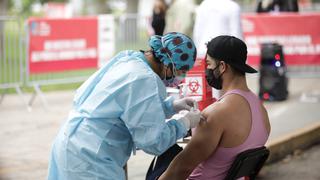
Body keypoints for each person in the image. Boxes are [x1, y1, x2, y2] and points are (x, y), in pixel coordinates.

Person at [47, 32, 201, 180]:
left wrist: (171, 106)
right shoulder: (144, 79)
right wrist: (184, 123)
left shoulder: (130, 59)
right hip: (90, 157)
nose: (180, 78)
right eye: (180, 71)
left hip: (72, 142)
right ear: (168, 64)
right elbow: (153, 141)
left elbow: (131, 107)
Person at [159, 35, 271, 180]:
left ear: (223, 66)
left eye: (209, 64)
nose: (207, 70)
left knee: (163, 159)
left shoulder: (216, 114)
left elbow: (182, 167)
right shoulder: (260, 108)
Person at [192, 0, 244, 100]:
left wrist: (197, 53)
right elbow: (237, 34)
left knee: (204, 91)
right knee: (224, 90)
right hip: (224, 52)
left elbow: (197, 31)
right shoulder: (233, 7)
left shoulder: (204, 4)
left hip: (203, 51)